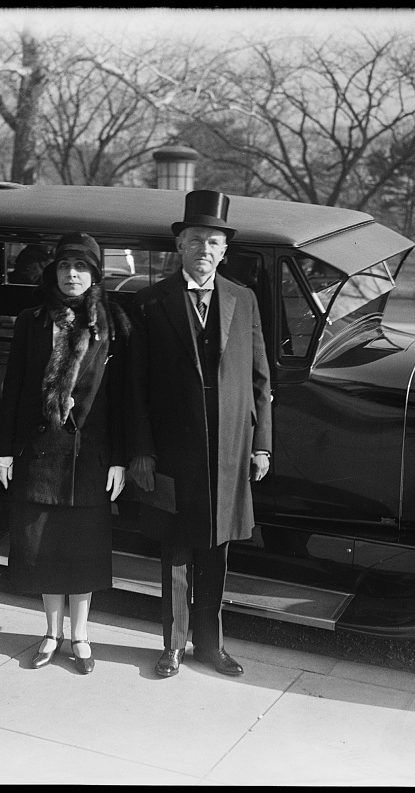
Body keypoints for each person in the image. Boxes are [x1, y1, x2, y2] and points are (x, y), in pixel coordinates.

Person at [127, 190, 272, 678]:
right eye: (194, 240)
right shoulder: (150, 301)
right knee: (175, 550)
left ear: (224, 250)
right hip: (173, 451)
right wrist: (142, 451)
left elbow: (260, 380)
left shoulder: (243, 299)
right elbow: (135, 386)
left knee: (217, 551)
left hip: (229, 452)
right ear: (179, 246)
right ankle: (172, 646)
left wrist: (261, 445)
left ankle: (211, 646)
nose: (203, 249)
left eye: (212, 242)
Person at [0, 232, 130, 675]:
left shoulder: (111, 324)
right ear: (54, 271)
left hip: (89, 455)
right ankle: (51, 633)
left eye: (82, 267)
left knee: (83, 548)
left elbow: (123, 397)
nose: (72, 275)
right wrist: (5, 452)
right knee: (45, 548)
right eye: (66, 266)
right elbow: (13, 388)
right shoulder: (32, 321)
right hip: (40, 451)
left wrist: (119, 458)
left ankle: (80, 636)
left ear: (95, 275)